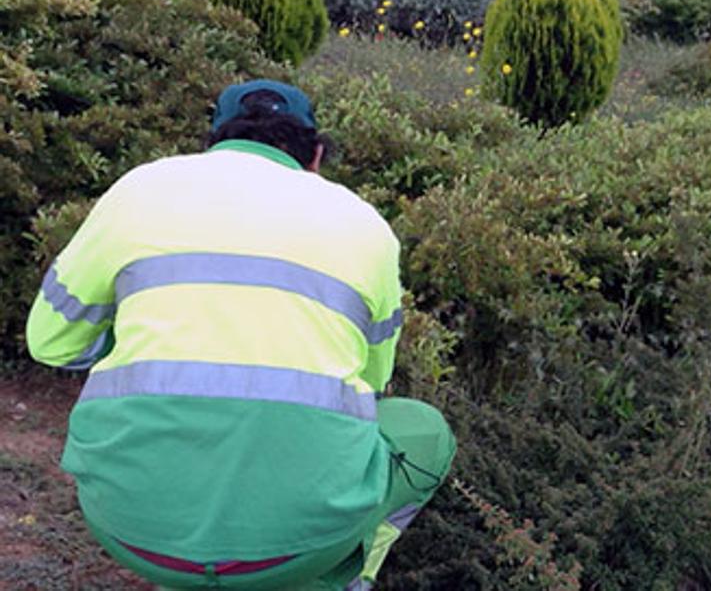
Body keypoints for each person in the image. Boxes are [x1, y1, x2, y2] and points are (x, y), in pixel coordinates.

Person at [26, 79, 455, 590]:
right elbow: (372, 380)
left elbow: (50, 342)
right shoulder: (365, 224)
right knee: (423, 431)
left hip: (130, 529)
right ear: (315, 156)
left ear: (212, 143)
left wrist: (144, 343)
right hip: (298, 546)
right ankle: (342, 580)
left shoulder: (139, 190)